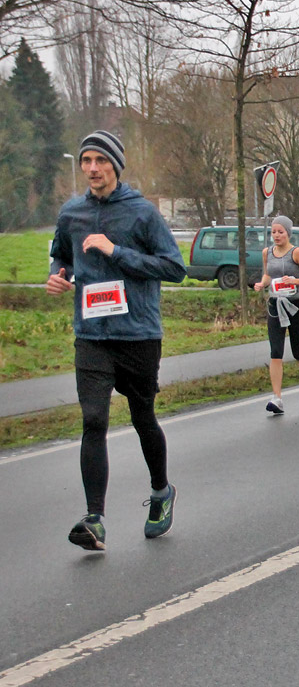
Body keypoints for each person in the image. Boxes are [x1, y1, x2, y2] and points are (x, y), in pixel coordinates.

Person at [47, 130, 186, 551]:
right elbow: (62, 254)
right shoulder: (71, 212)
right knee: (93, 420)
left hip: (138, 333)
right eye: (86, 160)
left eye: (100, 161)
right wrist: (60, 274)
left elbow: (174, 267)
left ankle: (161, 491)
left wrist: (114, 251)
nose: (92, 168)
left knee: (143, 417)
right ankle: (95, 519)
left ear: (115, 165)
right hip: (91, 334)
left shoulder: (141, 213)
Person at [253, 214, 299, 414]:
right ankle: (277, 398)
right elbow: (267, 274)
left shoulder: (297, 253)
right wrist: (262, 283)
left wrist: (295, 281)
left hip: (295, 305)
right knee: (276, 352)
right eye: (273, 232)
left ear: (288, 233)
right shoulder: (267, 252)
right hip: (275, 304)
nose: (276, 235)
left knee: (297, 350)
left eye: (280, 232)